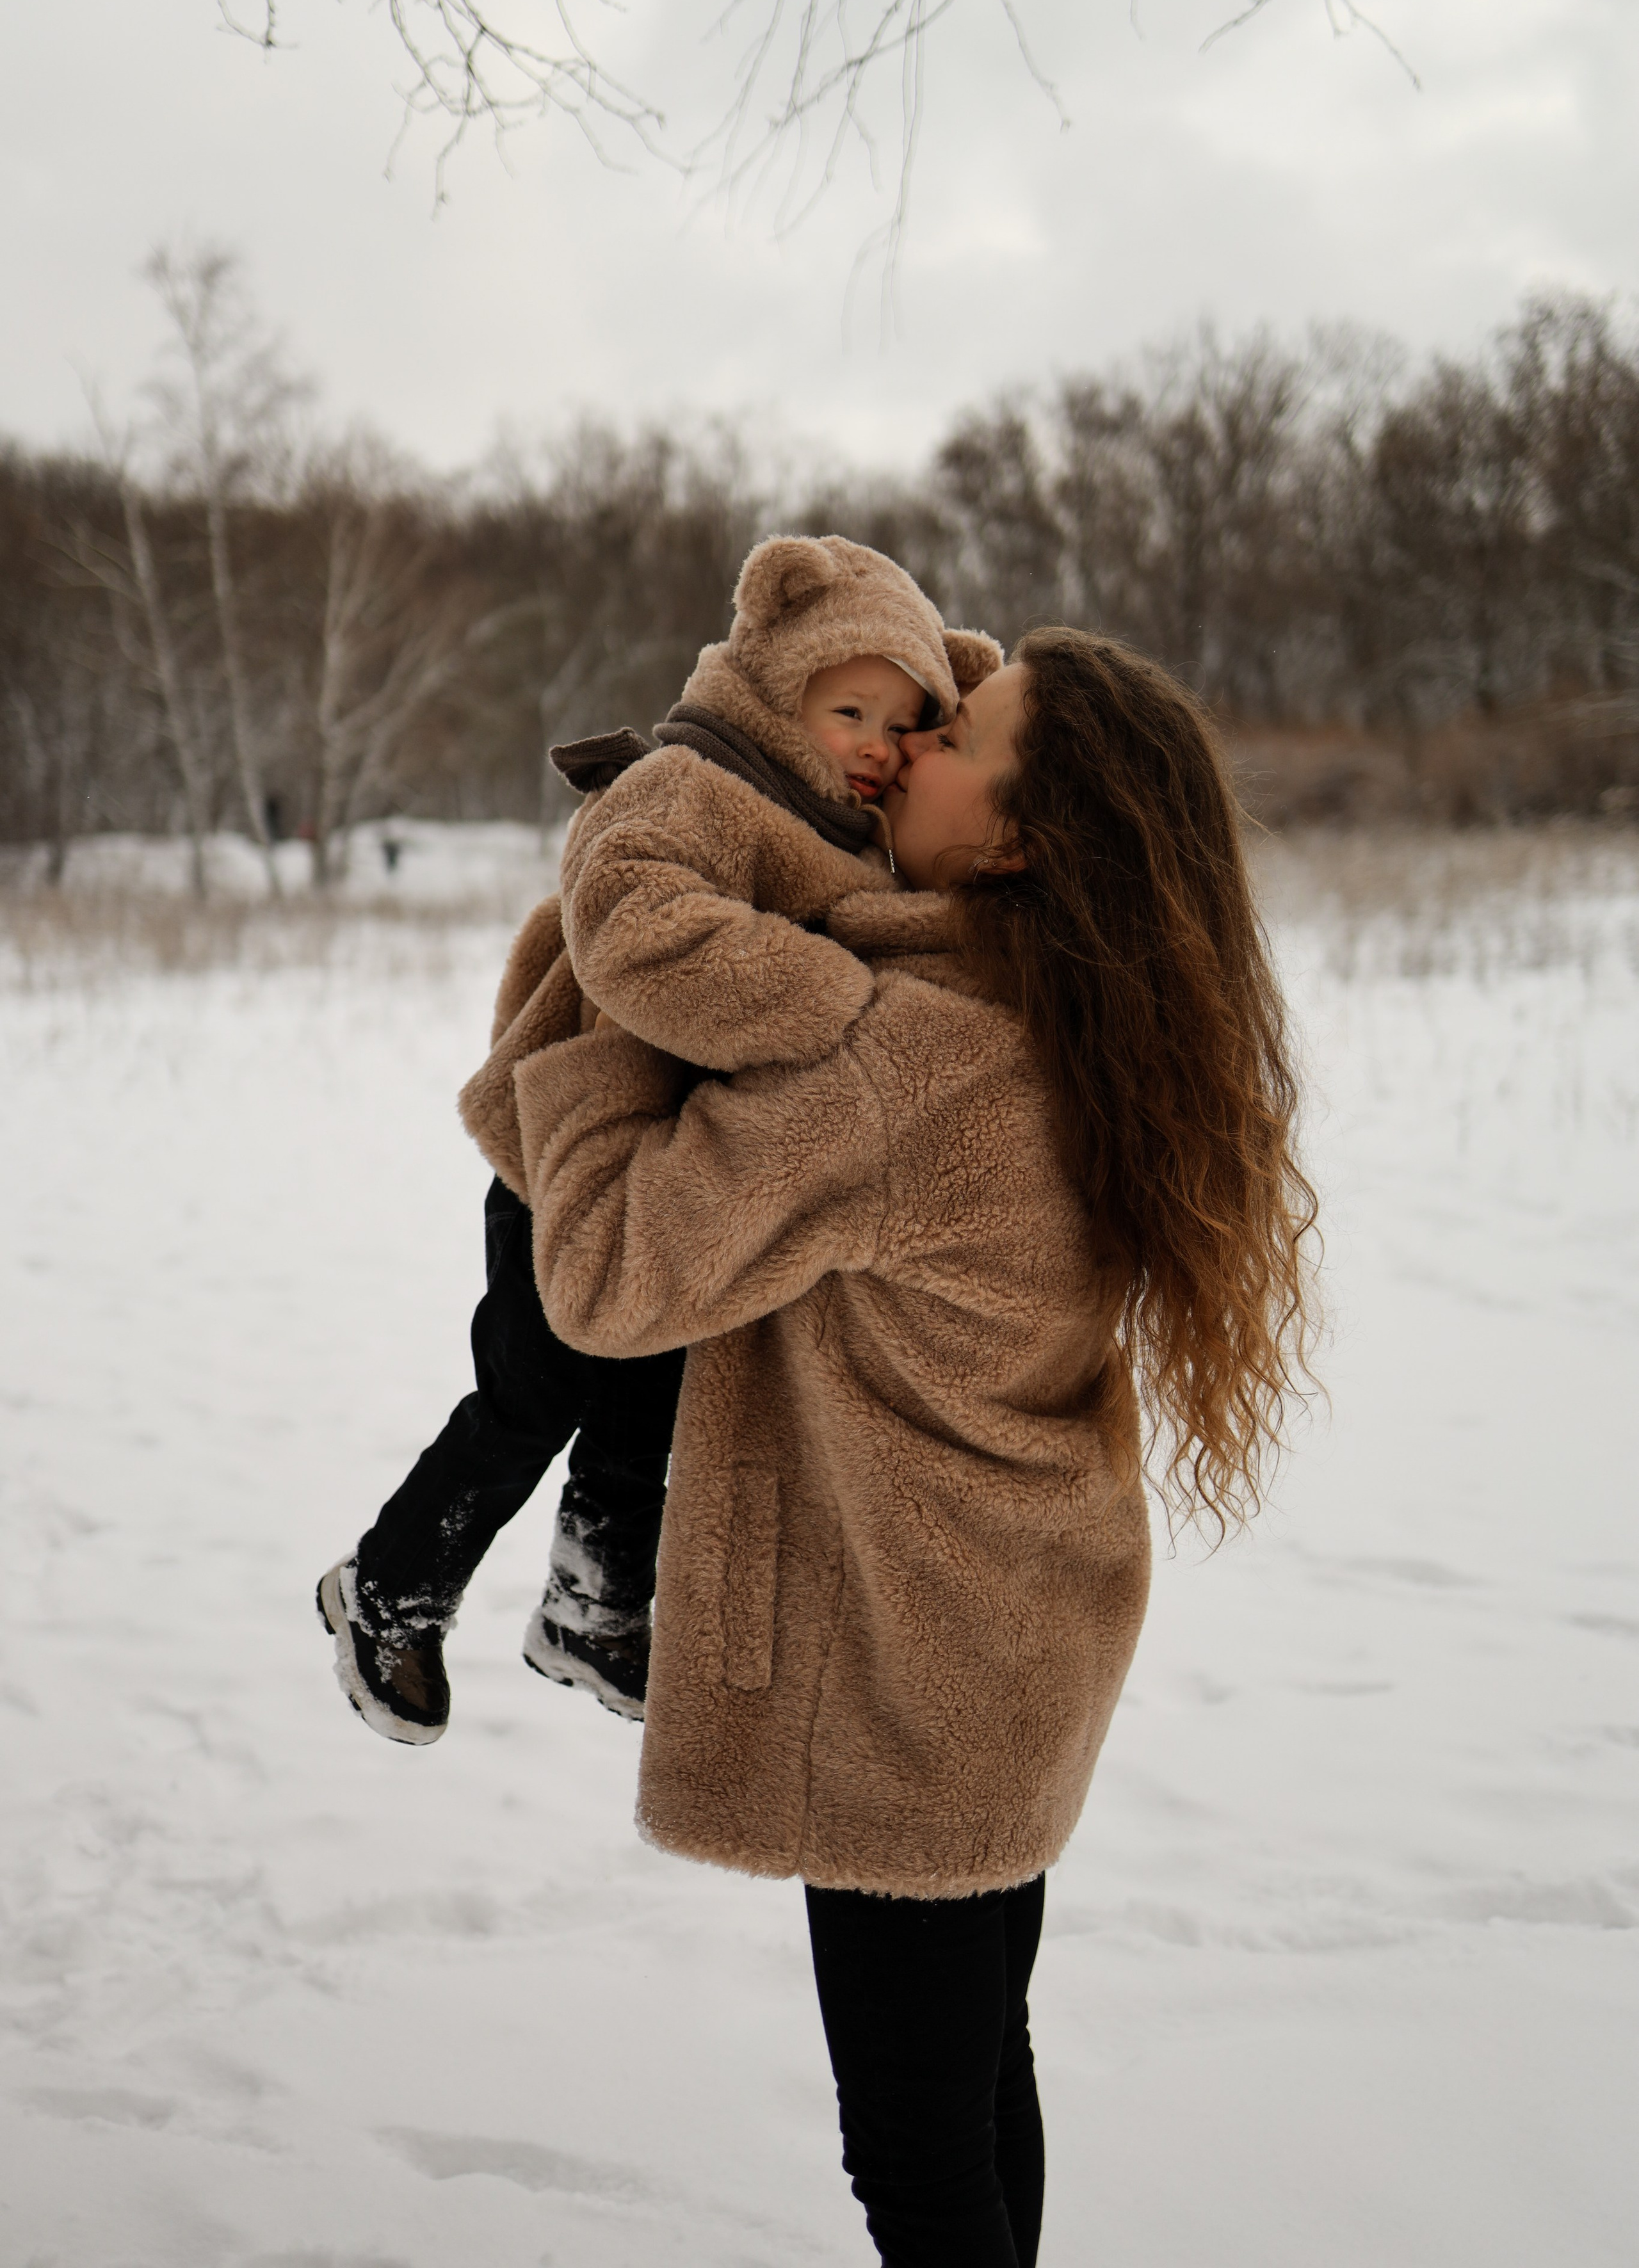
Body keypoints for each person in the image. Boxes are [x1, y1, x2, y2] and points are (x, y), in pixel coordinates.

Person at [510, 627, 1319, 2268]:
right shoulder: (1073, 1014)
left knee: (915, 2148)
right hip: (1017, 1640)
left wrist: (598, 1022)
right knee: (972, 2080)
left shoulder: (909, 1061)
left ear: (1015, 838)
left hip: (903, 1682)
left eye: (952, 732)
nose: (908, 744)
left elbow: (604, 1271)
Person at [317, 533, 1001, 1739]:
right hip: (565, 1155)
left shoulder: (840, 834)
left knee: (658, 1380)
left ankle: (596, 1602)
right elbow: (634, 914)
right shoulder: (696, 783)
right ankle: (387, 1587)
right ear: (776, 678)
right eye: (850, 708)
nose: (875, 747)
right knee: (534, 1392)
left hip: (671, 1167)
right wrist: (834, 1002)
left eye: (903, 726)